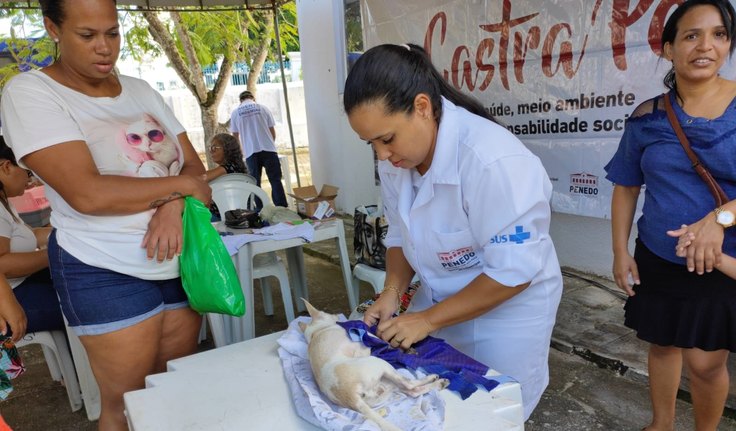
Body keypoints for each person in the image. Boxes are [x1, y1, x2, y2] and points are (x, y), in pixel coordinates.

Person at [0, 0, 211, 429]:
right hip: (103, 266)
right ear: (52, 28)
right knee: (125, 404)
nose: (105, 47)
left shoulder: (141, 90)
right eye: (87, 35)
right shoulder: (31, 93)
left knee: (171, 390)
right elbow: (87, 194)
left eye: (112, 33)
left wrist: (174, 204)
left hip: (178, 257)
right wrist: (184, 188)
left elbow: (193, 170)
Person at [343, 43, 563, 420]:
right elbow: (400, 233)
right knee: (437, 407)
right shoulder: (398, 161)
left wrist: (426, 320)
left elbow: (514, 271)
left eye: (387, 138)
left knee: (495, 412)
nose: (382, 154)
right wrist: (392, 293)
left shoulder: (493, 161)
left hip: (508, 316)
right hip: (441, 303)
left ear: (423, 107)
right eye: (371, 143)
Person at [605, 1, 736, 429]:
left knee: (705, 364)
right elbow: (626, 187)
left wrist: (718, 221)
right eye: (692, 35)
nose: (706, 46)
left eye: (718, 34)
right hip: (657, 256)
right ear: (668, 49)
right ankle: (661, 424)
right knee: (661, 345)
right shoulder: (647, 117)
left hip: (719, 265)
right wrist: (620, 252)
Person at [0, 139, 64, 335]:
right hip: (10, 296)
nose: (32, 180)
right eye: (28, 172)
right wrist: (57, 251)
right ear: (6, 167)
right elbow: (3, 264)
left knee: (78, 276)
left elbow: (29, 236)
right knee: (83, 300)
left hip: (20, 283)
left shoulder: (4, 203)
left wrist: (65, 235)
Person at [229, 90, 288, 207]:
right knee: (275, 180)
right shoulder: (263, 108)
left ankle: (261, 210)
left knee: (255, 183)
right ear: (253, 98)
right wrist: (270, 143)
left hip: (250, 152)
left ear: (240, 101)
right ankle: (281, 207)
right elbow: (272, 131)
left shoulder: (236, 113)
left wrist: (241, 152)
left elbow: (235, 136)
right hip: (269, 149)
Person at [205, 133, 247, 220]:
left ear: (227, 150)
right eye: (210, 148)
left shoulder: (226, 168)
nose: (211, 151)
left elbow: (201, 178)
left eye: (214, 148)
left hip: (222, 215)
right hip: (243, 212)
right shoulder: (238, 167)